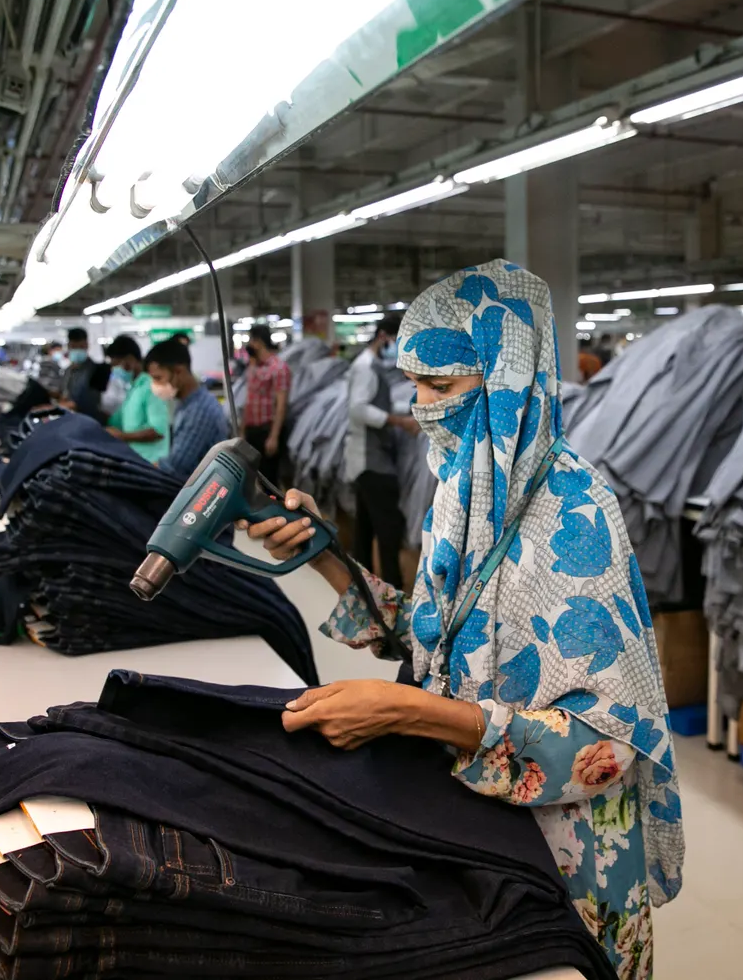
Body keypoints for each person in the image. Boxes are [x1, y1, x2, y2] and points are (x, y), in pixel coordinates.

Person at [245, 259, 682, 980]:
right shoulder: (466, 487)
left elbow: (605, 745)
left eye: (440, 387)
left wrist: (408, 711)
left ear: (505, 381)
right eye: (412, 383)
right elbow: (431, 629)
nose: (418, 406)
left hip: (570, 858)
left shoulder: (572, 516)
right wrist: (325, 554)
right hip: (483, 823)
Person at [344, 313, 420, 590]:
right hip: (370, 459)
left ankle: (361, 587)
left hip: (366, 457)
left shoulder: (372, 366)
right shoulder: (366, 368)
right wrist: (399, 422)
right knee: (390, 528)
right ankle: (393, 589)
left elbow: (378, 405)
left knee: (365, 528)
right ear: (384, 337)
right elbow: (359, 409)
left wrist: (410, 411)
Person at [146, 339, 230, 482]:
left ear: (179, 371)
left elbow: (176, 466)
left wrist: (140, 468)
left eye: (158, 378)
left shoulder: (199, 411)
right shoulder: (186, 404)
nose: (155, 385)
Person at [103, 336, 170, 464]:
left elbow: (158, 431)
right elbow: (118, 421)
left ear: (130, 360)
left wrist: (122, 436)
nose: (115, 372)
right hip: (138, 461)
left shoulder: (151, 386)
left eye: (117, 366)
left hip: (154, 464)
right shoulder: (133, 388)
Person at [241, 331, 290, 485]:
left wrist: (274, 436)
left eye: (251, 341)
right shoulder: (252, 366)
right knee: (252, 477)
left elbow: (281, 404)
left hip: (267, 430)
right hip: (252, 430)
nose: (249, 345)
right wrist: (242, 431)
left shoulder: (279, 368)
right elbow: (248, 400)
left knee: (269, 480)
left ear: (259, 342)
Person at [61, 328, 107, 420]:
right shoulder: (68, 371)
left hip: (90, 420)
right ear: (69, 346)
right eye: (74, 347)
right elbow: (64, 394)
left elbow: (93, 401)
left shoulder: (98, 370)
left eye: (81, 347)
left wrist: (71, 405)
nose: (77, 350)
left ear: (87, 345)